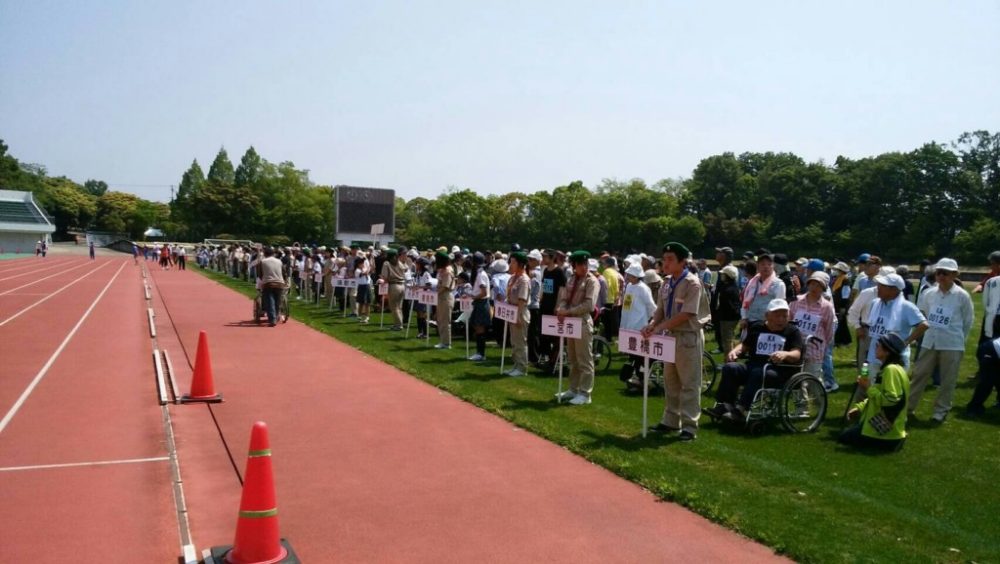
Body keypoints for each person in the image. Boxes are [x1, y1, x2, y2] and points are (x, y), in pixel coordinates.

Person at [641, 242, 709, 440]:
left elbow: (687, 313)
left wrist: (660, 327)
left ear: (682, 262)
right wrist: (652, 324)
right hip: (669, 336)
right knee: (670, 380)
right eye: (665, 259)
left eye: (671, 259)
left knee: (689, 382)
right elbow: (660, 310)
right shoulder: (666, 282)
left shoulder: (692, 283)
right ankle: (671, 420)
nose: (666, 263)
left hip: (687, 336)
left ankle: (689, 425)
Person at [707, 298, 804, 422]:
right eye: (777, 315)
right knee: (730, 368)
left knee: (758, 372)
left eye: (784, 316)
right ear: (767, 315)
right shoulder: (758, 327)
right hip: (753, 366)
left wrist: (785, 354)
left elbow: (797, 354)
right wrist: (735, 351)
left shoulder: (792, 331)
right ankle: (725, 405)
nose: (781, 319)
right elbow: (745, 345)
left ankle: (741, 409)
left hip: (778, 371)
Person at [907, 259, 975, 423]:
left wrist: (959, 340)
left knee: (947, 379)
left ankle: (940, 411)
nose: (941, 276)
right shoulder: (928, 293)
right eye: (938, 272)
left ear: (954, 275)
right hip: (930, 341)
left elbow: (968, 321)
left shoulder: (962, 296)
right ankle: (907, 408)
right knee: (919, 375)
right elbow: (922, 315)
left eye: (945, 273)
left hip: (952, 343)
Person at [840, 332, 910, 452]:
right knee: (846, 435)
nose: (875, 348)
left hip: (884, 433)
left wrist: (867, 387)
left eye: (879, 345)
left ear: (887, 352)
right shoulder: (895, 369)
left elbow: (891, 400)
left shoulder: (890, 370)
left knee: (844, 438)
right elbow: (879, 395)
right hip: (889, 431)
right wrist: (860, 408)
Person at [554, 250, 599, 405]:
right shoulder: (572, 279)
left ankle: (585, 393)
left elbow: (589, 305)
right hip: (570, 322)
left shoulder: (591, 281)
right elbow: (565, 297)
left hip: (582, 322)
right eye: (580, 264)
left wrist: (568, 311)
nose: (583, 267)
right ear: (574, 265)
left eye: (585, 264)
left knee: (584, 358)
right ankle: (573, 389)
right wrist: (561, 308)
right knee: (572, 358)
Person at [863, 272, 928, 374]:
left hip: (896, 358)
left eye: (882, 286)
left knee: (893, 388)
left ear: (894, 290)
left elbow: (923, 325)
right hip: (874, 355)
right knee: (869, 386)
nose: (878, 288)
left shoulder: (907, 307)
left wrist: (905, 342)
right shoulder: (875, 303)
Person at [789, 272, 837, 390]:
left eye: (819, 285)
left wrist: (823, 345)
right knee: (797, 382)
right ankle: (802, 408)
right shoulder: (796, 301)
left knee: (812, 381)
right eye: (812, 284)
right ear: (808, 284)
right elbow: (789, 322)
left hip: (815, 348)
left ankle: (820, 402)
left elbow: (829, 330)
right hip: (796, 347)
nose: (815, 288)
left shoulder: (827, 307)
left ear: (824, 288)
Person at [966, 272, 1000, 417]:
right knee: (988, 379)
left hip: (992, 336)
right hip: (991, 345)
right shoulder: (992, 282)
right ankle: (974, 407)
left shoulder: (992, 282)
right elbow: (987, 304)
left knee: (993, 376)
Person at [619, 263, 657, 390]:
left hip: (641, 325)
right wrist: (623, 326)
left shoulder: (643, 288)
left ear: (636, 276)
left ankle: (641, 379)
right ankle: (636, 378)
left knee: (641, 356)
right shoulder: (629, 286)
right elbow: (626, 306)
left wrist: (655, 320)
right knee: (633, 355)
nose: (628, 276)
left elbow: (651, 306)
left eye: (630, 274)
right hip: (629, 325)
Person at [740, 251, 786, 329]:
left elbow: (779, 307)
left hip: (767, 324)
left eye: (769, 264)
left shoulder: (778, 284)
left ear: (773, 266)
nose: (766, 267)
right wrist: (744, 318)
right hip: (750, 322)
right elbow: (745, 301)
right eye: (763, 264)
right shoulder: (752, 282)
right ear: (757, 267)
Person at [538, 249, 567, 372]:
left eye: (545, 257)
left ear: (551, 258)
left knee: (554, 335)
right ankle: (547, 357)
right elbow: (544, 286)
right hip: (545, 305)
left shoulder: (558, 272)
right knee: (544, 333)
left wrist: (558, 305)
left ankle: (553, 360)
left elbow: (561, 290)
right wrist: (541, 298)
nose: (543, 259)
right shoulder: (545, 271)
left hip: (553, 306)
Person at [504, 252, 531, 376]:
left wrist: (519, 316)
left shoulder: (524, 280)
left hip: (520, 311)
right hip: (511, 310)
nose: (511, 264)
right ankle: (516, 364)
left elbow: (522, 299)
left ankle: (522, 367)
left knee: (520, 341)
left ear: (520, 264)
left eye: (513, 262)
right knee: (514, 341)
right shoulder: (513, 277)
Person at [711, 265, 741, 355]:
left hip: (727, 318)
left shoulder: (726, 289)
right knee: (729, 339)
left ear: (727, 276)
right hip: (733, 317)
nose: (722, 276)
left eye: (723, 274)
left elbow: (725, 305)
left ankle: (729, 361)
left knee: (726, 341)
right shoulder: (734, 286)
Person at [468, 252, 493, 362]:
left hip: (481, 302)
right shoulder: (481, 273)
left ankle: (481, 353)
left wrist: (474, 296)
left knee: (480, 328)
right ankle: (479, 352)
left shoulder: (481, 274)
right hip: (480, 302)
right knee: (477, 327)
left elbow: (483, 292)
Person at [378, 248, 406, 330]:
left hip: (393, 286)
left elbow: (385, 277)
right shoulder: (400, 263)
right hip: (402, 285)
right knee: (399, 307)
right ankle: (399, 323)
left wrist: (381, 279)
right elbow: (406, 269)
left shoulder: (386, 263)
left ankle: (398, 325)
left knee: (394, 307)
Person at [259, 247, 286, 327]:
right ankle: (276, 315)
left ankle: (272, 319)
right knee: (277, 302)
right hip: (279, 283)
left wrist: (263, 280)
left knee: (270, 302)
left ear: (264, 254)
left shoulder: (263, 261)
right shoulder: (279, 261)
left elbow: (260, 274)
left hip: (268, 283)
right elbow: (284, 272)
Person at [433, 252, 455, 348]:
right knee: (440, 320)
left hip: (445, 297)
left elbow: (445, 287)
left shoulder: (447, 271)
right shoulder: (443, 270)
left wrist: (435, 293)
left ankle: (446, 343)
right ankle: (443, 341)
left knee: (445, 321)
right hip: (442, 296)